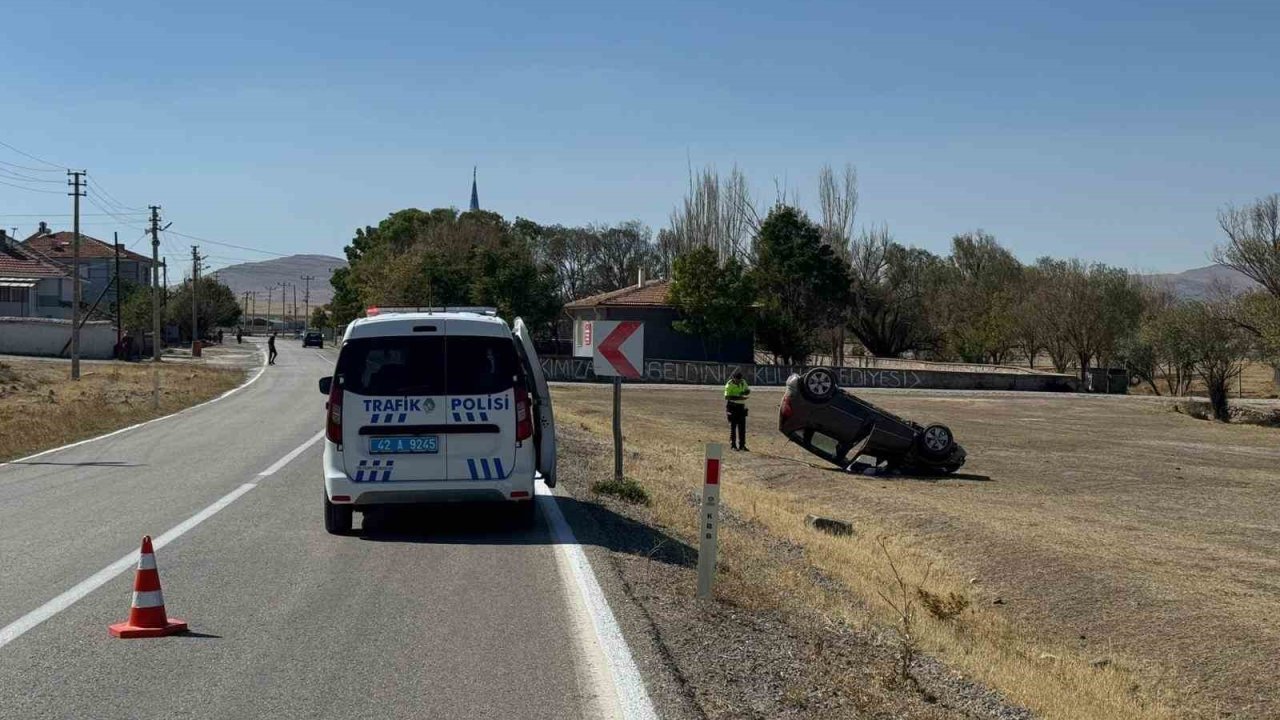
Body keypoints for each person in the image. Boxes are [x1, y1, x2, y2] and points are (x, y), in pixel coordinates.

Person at [724, 369, 751, 451]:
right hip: (732, 406)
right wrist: (739, 397)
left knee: (742, 427)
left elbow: (747, 390)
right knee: (733, 426)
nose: (739, 382)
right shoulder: (729, 385)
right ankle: (733, 445)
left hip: (741, 407)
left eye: (740, 380)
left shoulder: (743, 382)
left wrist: (746, 392)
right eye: (737, 380)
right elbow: (727, 397)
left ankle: (742, 445)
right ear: (733, 378)